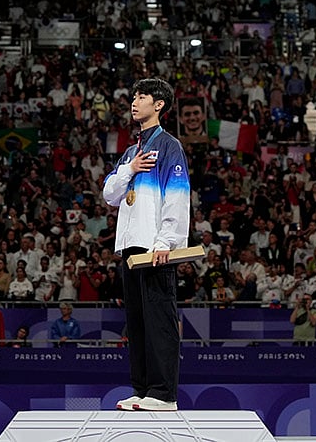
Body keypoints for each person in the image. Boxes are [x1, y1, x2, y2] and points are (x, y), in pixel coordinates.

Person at [103, 78, 191, 412]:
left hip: (155, 246)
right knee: (137, 322)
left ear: (159, 105)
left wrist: (166, 240)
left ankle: (164, 393)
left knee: (159, 320)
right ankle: (142, 390)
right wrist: (130, 168)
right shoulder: (130, 152)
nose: (134, 102)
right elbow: (110, 194)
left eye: (142, 97)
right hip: (129, 244)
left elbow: (178, 195)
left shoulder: (169, 145)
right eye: (134, 96)